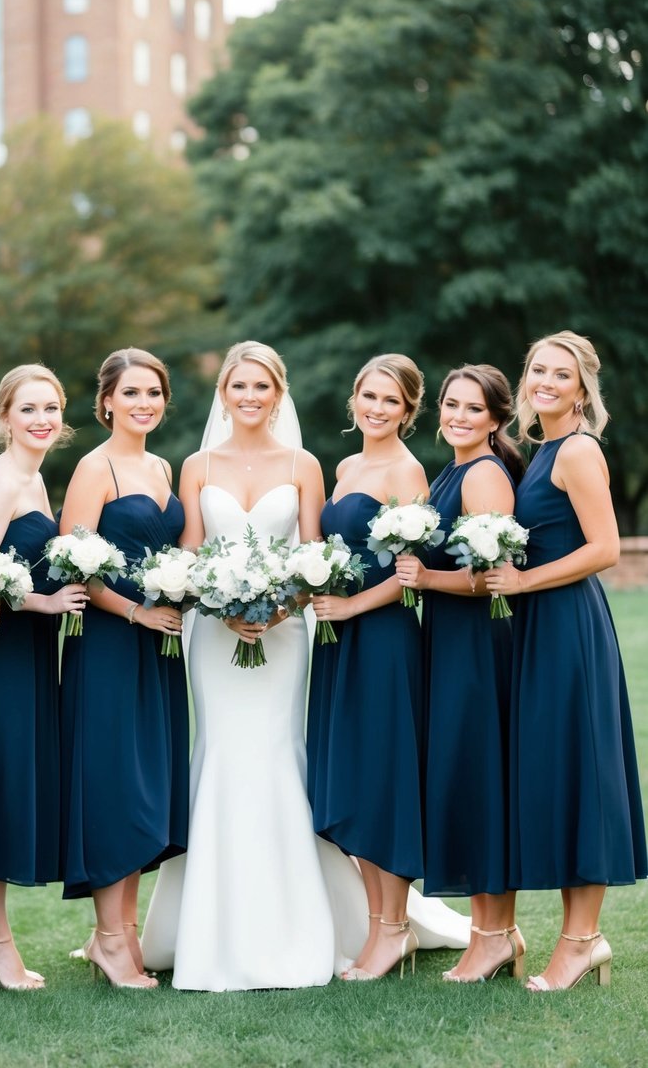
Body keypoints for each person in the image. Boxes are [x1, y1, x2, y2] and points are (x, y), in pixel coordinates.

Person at [142, 342, 468, 990]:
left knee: (276, 758)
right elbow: (188, 550)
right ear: (223, 392)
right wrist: (216, 600)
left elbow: (320, 556)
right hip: (214, 637)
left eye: (261, 386)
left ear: (278, 392)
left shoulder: (308, 464)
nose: (249, 396)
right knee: (222, 757)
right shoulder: (196, 464)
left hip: (288, 633)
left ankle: (311, 927)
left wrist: (282, 602)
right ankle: (209, 931)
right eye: (238, 385)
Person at [485, 331, 646, 991]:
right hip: (539, 627)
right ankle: (580, 938)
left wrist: (523, 582)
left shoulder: (576, 451)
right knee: (556, 769)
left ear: (582, 389)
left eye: (561, 374)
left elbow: (606, 548)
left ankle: (581, 941)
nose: (545, 382)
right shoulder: (539, 449)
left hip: (567, 624)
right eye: (536, 371)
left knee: (580, 768)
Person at [307, 353, 469, 981]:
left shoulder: (407, 473)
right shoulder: (345, 466)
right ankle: (380, 928)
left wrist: (348, 606)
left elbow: (410, 580)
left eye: (390, 400)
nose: (376, 408)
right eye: (367, 396)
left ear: (408, 411)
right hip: (337, 640)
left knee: (383, 779)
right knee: (351, 776)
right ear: (354, 400)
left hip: (381, 639)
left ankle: (393, 929)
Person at [59, 348, 188, 990]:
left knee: (148, 785)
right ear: (107, 400)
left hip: (158, 646)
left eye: (154, 393)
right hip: (111, 645)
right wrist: (139, 613)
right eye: (131, 393)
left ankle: (120, 933)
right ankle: (112, 941)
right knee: (116, 782)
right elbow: (74, 562)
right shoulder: (94, 467)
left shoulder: (162, 465)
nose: (144, 404)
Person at [395, 364, 526, 983]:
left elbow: (492, 578)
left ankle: (492, 938)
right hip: (448, 641)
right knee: (469, 778)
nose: (458, 417)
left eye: (474, 409)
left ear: (496, 419)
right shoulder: (452, 469)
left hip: (478, 647)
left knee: (480, 779)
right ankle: (496, 930)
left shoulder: (482, 475)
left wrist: (426, 578)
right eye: (451, 405)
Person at [0, 364, 88, 991]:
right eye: (29, 409)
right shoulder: (3, 478)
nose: (42, 419)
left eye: (51, 408)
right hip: (0, 655)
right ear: (4, 417)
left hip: (32, 654)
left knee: (12, 788)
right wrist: (44, 602)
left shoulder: (35, 479)